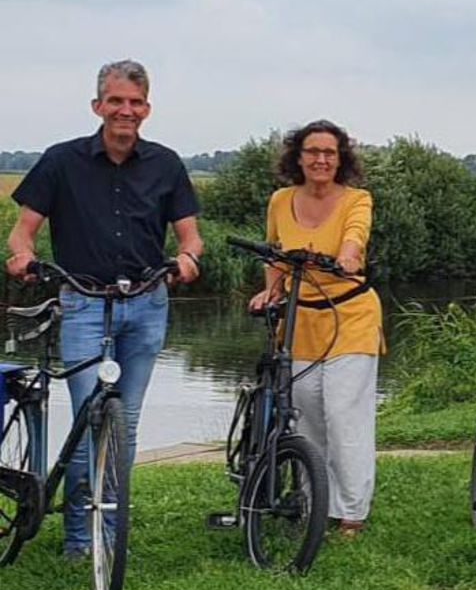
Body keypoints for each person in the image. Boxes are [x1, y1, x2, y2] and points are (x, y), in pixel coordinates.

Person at [6, 59, 202, 559]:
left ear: (147, 109)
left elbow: (190, 236)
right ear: (98, 106)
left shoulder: (167, 164)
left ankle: (107, 528)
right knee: (87, 417)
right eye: (116, 101)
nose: (125, 111)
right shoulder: (61, 161)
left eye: (135, 102)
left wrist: (187, 259)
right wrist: (24, 257)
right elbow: (23, 231)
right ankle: (77, 536)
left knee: (124, 423)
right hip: (84, 303)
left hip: (146, 304)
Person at [248, 120, 383, 538]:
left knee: (344, 413)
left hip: (351, 316)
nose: (321, 159)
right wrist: (270, 290)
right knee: (305, 416)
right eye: (312, 151)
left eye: (329, 152)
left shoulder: (357, 199)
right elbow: (274, 254)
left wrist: (347, 256)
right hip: (300, 318)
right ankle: (314, 503)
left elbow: (354, 238)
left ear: (340, 158)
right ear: (298, 156)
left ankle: (352, 512)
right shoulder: (280, 200)